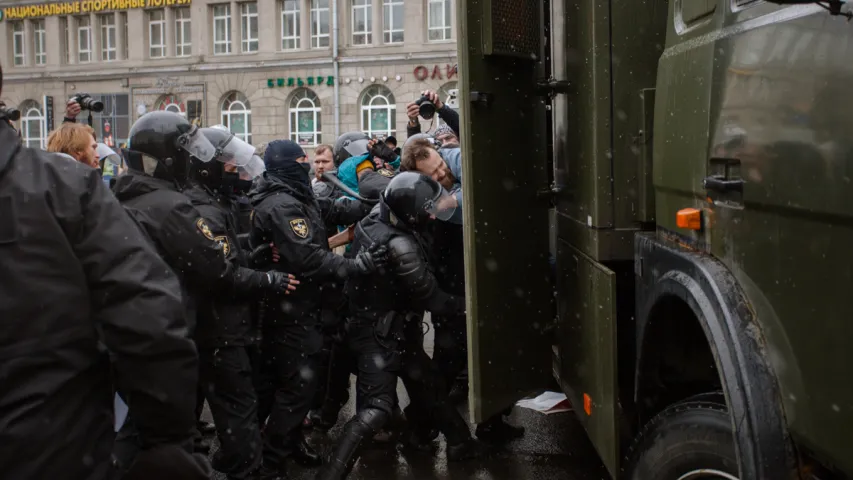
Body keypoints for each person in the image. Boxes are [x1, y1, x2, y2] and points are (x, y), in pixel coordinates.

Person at [0, 63, 209, 480]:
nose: (99, 154)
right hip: (50, 452)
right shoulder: (64, 189)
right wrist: (167, 442)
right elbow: (147, 318)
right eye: (92, 147)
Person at [111, 111, 299, 471]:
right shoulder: (171, 207)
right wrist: (268, 279)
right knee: (230, 417)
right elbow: (215, 271)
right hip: (187, 328)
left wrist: (247, 249)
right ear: (170, 156)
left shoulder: (127, 197)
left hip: (141, 330)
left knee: (141, 424)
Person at [316, 172, 490, 480]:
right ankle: (329, 474)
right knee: (375, 411)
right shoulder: (400, 245)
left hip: (388, 328)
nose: (434, 214)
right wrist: (474, 305)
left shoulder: (377, 218)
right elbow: (433, 298)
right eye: (429, 210)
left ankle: (460, 443)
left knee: (429, 384)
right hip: (378, 335)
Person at [249, 139, 385, 480]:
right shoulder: (280, 205)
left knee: (298, 382)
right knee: (296, 388)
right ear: (285, 166)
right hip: (290, 309)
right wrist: (359, 265)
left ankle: (291, 442)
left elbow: (330, 211)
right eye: (300, 160)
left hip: (306, 306)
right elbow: (307, 257)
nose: (307, 163)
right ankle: (272, 461)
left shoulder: (296, 194)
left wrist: (366, 203)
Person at [401, 139, 524, 445]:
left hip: (473, 286)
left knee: (489, 357)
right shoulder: (432, 205)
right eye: (434, 173)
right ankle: (417, 426)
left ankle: (491, 423)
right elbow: (462, 213)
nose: (443, 173)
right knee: (447, 364)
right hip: (453, 293)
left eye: (441, 165)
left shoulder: (449, 181)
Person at [183, 126, 284, 479]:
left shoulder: (212, 202)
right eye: (229, 166)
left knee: (224, 409)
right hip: (219, 331)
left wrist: (253, 253)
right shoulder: (205, 210)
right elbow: (220, 274)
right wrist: (269, 279)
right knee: (238, 412)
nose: (237, 173)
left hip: (216, 327)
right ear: (207, 166)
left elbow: (227, 257)